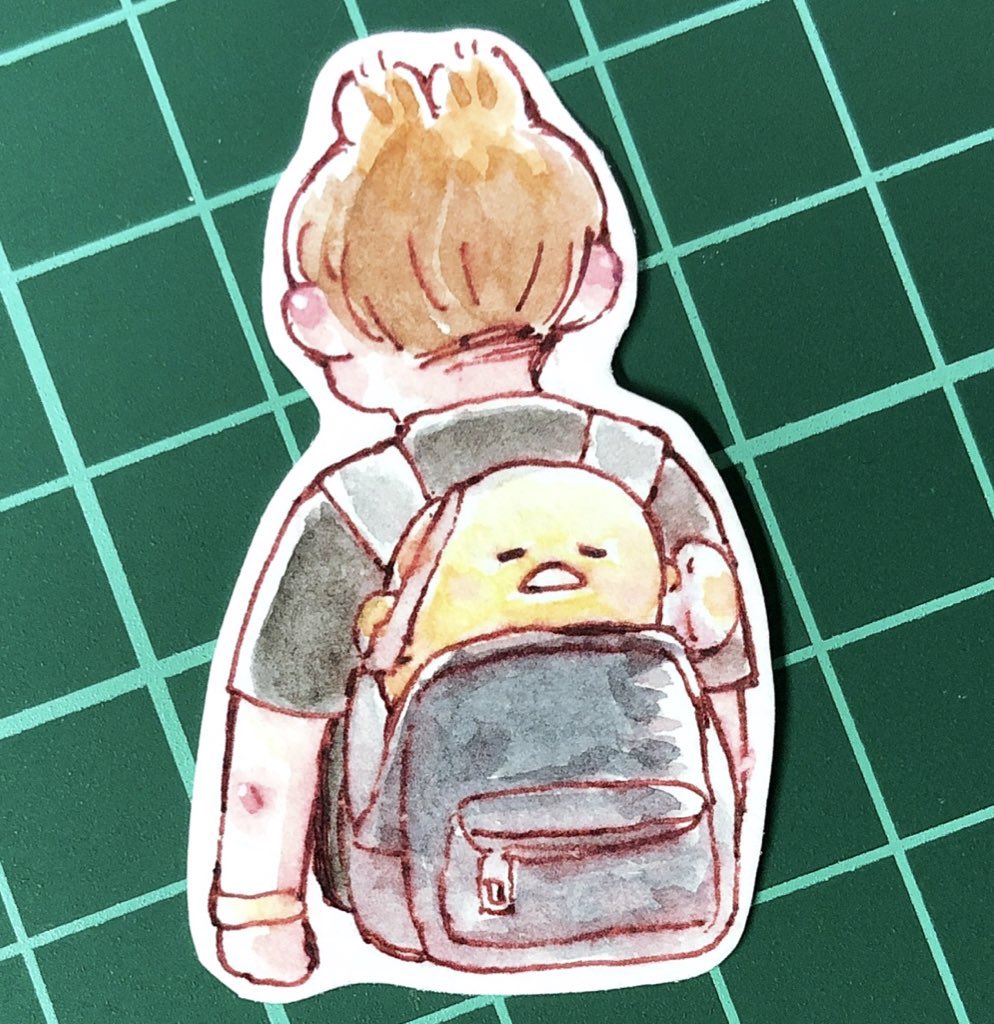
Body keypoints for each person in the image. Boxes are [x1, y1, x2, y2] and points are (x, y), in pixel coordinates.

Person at [198, 35, 766, 989]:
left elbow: (273, 747)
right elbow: (730, 693)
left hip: (418, 909)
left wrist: (259, 916)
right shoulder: (649, 470)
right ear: (596, 281)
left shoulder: (356, 511)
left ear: (324, 322)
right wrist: (720, 848)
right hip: (664, 885)